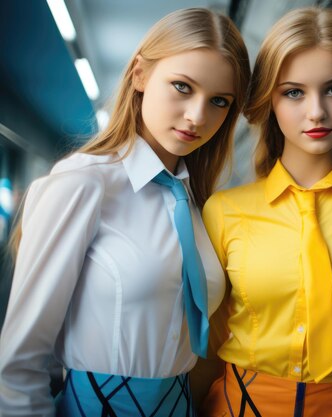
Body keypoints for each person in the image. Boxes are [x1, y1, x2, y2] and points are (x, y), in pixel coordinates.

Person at [0, 8, 250, 416]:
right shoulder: (83, 184)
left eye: (219, 101)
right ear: (139, 74)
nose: (198, 116)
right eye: (182, 87)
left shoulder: (196, 202)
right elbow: (21, 365)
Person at [197, 7, 332, 417]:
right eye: (294, 92)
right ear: (269, 101)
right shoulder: (224, 212)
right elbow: (206, 342)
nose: (316, 112)